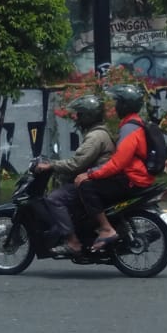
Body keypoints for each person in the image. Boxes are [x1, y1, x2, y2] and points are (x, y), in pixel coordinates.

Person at [71, 85, 155, 251]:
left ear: (125, 105)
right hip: (137, 176)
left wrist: (91, 174)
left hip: (132, 178)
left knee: (85, 185)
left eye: (117, 102)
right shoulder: (135, 123)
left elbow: (118, 163)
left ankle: (106, 228)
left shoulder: (129, 129)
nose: (115, 106)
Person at [35, 94, 113, 253]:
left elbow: (77, 164)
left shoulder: (95, 137)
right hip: (97, 180)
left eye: (80, 114)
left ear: (89, 116)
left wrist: (52, 165)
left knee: (54, 199)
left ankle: (73, 241)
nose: (77, 118)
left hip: (92, 182)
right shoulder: (100, 133)